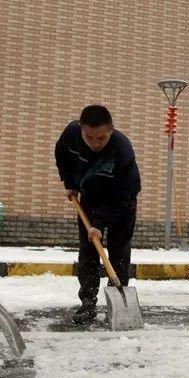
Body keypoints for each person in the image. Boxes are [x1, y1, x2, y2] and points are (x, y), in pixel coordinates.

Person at [55, 105, 141, 325]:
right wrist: (70, 183)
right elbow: (62, 155)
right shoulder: (71, 135)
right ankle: (87, 303)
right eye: (89, 137)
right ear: (81, 129)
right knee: (88, 251)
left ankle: (118, 305)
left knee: (119, 251)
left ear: (111, 130)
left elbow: (125, 194)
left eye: (100, 138)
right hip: (90, 197)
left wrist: (100, 223)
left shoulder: (122, 151)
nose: (94, 143)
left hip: (121, 202)